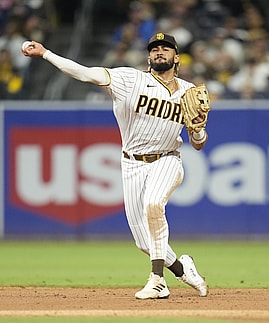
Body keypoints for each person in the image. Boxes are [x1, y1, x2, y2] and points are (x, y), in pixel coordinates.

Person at [22, 32, 209, 300]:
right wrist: (46, 53)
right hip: (132, 163)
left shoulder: (189, 92)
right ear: (148, 56)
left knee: (154, 204)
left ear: (176, 57)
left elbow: (199, 143)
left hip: (167, 158)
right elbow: (85, 73)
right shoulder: (130, 80)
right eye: (155, 48)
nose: (159, 52)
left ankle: (157, 281)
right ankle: (183, 269)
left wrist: (199, 130)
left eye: (165, 48)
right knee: (144, 241)